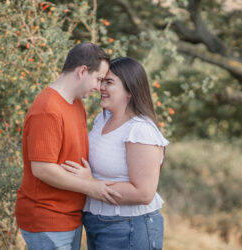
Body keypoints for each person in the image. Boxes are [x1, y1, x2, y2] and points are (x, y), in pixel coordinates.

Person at [15, 43, 122, 250]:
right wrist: (91, 187)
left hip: (69, 217)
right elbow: (42, 168)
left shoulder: (75, 104)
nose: (100, 88)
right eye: (99, 79)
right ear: (82, 71)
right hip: (47, 218)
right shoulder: (47, 109)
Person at [62, 57, 169, 250]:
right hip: (97, 223)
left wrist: (90, 184)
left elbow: (143, 193)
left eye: (109, 82)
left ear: (130, 90)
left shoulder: (140, 130)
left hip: (129, 227)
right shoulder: (102, 120)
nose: (101, 87)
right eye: (101, 81)